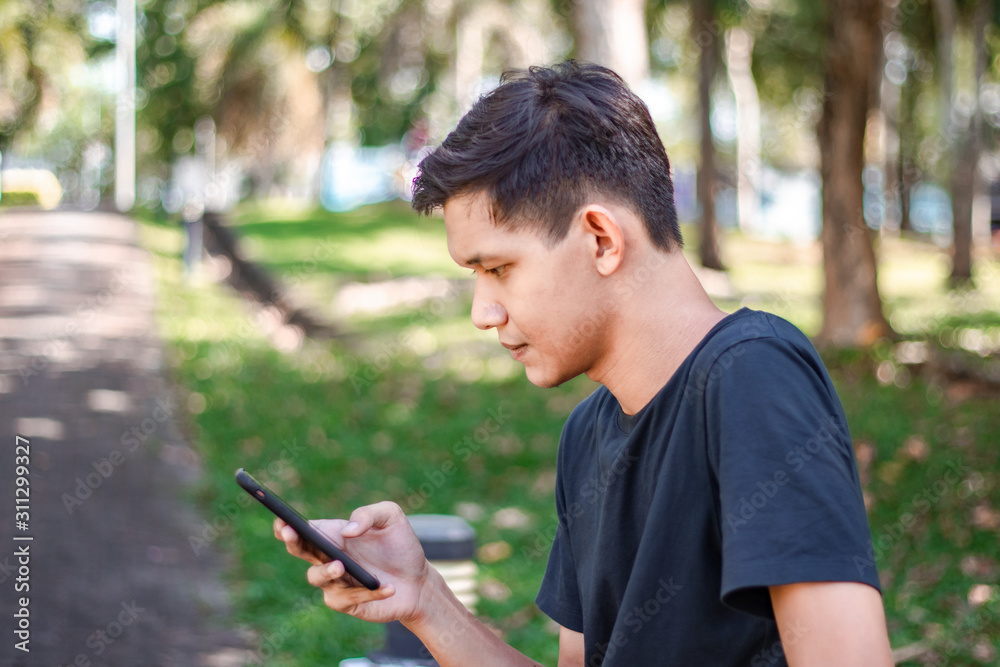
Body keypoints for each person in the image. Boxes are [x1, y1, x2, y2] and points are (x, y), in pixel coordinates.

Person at [275, 61, 894, 666]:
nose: (483, 313)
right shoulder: (588, 435)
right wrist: (424, 600)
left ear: (601, 239)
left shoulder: (752, 378)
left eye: (497, 270)